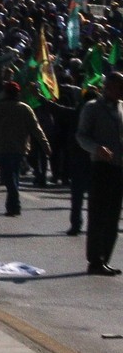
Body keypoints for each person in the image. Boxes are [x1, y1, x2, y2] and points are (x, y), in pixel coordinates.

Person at [77, 71, 123, 275]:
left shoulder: (122, 108)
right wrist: (97, 148)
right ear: (109, 87)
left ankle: (105, 258)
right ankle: (95, 260)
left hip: (119, 168)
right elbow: (81, 135)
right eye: (119, 86)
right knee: (98, 215)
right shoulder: (93, 107)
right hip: (101, 167)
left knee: (113, 217)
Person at [0, 81, 49, 217]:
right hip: (19, 148)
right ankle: (12, 205)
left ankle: (14, 204)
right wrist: (45, 145)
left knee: (9, 178)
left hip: (3, 148)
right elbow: (36, 129)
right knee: (14, 176)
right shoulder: (25, 108)